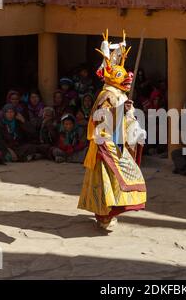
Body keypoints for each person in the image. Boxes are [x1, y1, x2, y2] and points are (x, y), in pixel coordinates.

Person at [78, 30, 147, 230]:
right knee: (106, 181)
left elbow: (127, 119)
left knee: (114, 182)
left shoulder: (120, 93)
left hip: (119, 142)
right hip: (105, 144)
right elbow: (100, 119)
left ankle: (108, 214)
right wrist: (119, 111)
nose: (127, 80)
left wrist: (134, 126)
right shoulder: (107, 95)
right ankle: (104, 216)